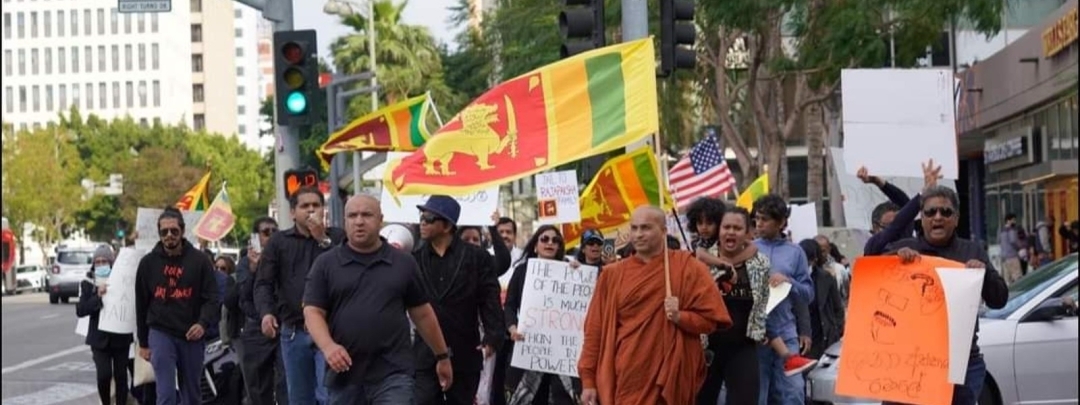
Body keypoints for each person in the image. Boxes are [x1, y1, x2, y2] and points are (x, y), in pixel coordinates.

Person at [303, 195, 454, 404]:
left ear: (380, 219)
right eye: (352, 216)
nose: (359, 221)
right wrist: (328, 347)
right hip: (345, 375)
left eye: (367, 215)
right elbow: (312, 312)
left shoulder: (403, 262)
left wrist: (442, 356)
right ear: (344, 221)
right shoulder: (326, 264)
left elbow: (422, 313)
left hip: (394, 373)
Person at [579, 206, 731, 405]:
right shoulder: (612, 275)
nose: (638, 235)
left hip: (672, 375)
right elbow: (594, 331)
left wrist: (680, 317)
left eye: (646, 228)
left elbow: (711, 321)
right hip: (628, 375)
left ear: (664, 230)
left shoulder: (688, 267)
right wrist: (588, 379)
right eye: (634, 228)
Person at [885, 185, 1009, 405]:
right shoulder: (903, 250)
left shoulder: (972, 252)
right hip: (909, 363)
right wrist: (896, 263)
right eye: (931, 212)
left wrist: (984, 274)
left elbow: (999, 300)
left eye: (946, 212)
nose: (938, 217)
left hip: (961, 366)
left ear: (957, 218)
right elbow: (877, 294)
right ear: (921, 218)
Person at [255, 186, 347, 405]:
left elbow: (345, 270)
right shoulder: (279, 242)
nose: (311, 211)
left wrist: (321, 239)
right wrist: (266, 313)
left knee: (328, 396)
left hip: (330, 331)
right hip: (294, 331)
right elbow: (263, 283)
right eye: (305, 206)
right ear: (292, 212)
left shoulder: (337, 238)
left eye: (316, 205)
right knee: (299, 397)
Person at [413, 196, 504, 405]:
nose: (423, 222)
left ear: (446, 225)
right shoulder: (414, 259)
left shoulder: (477, 257)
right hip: (425, 355)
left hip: (465, 353)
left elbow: (489, 298)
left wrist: (492, 337)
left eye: (428, 218)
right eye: (422, 217)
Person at [134, 207, 220, 405]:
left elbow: (212, 298)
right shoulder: (148, 263)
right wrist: (143, 342)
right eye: (164, 232)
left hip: (191, 334)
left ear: (182, 231)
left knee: (191, 394)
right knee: (166, 394)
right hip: (160, 332)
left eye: (174, 231)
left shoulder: (200, 261)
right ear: (159, 234)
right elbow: (141, 303)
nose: (169, 236)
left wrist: (202, 324)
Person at [695, 206, 770, 405]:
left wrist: (760, 329)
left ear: (747, 233)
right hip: (705, 348)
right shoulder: (700, 261)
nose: (730, 232)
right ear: (719, 230)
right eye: (726, 227)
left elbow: (762, 301)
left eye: (737, 228)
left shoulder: (760, 263)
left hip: (743, 347)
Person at [751, 194, 815, 405]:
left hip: (786, 333)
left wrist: (789, 281)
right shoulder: (748, 249)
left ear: (780, 223)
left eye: (764, 219)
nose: (758, 224)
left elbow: (808, 294)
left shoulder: (796, 252)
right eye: (757, 218)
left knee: (794, 393)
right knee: (757, 394)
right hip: (755, 333)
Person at [504, 225, 578, 405]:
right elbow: (510, 306)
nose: (550, 243)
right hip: (528, 347)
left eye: (555, 240)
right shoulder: (521, 272)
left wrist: (578, 272)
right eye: (545, 239)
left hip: (561, 355)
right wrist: (513, 328)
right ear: (535, 246)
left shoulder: (571, 272)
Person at [229, 217, 288, 405]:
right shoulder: (246, 263)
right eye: (265, 232)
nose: (271, 236)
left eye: (274, 231)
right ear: (256, 237)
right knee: (258, 387)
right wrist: (254, 269)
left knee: (286, 383)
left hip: (282, 326)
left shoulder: (284, 257)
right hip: (256, 328)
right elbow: (243, 297)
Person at [78, 245, 134, 405]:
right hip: (99, 339)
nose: (101, 265)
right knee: (104, 374)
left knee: (121, 375)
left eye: (105, 261)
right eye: (98, 262)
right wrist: (97, 295)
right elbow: (81, 310)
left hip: (120, 336)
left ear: (112, 263)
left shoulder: (122, 280)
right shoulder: (88, 283)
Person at [798, 240, 845, 360]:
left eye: (807, 261)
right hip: (800, 337)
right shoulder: (793, 279)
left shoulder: (826, 278)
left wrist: (836, 330)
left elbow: (838, 308)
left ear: (814, 260)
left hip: (823, 336)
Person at [999, 213, 1024, 285]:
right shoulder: (1012, 230)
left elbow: (999, 241)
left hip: (1004, 258)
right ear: (1008, 220)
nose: (1015, 222)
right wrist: (1020, 247)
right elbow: (1013, 241)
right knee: (1017, 277)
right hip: (1012, 256)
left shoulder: (1001, 230)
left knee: (1007, 279)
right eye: (1013, 220)